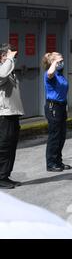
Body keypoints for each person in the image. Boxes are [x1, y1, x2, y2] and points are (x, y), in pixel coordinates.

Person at [0, 44, 24, 189]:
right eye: (10, 56)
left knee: (11, 147)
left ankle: (5, 175)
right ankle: (1, 176)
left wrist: (9, 59)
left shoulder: (9, 70)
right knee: (4, 147)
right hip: (4, 115)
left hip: (12, 114)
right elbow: (2, 75)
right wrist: (8, 58)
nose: (14, 58)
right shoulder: (3, 71)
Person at [42, 52, 71, 172]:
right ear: (52, 63)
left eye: (62, 60)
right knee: (54, 136)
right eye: (59, 61)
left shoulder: (59, 74)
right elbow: (50, 73)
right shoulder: (50, 74)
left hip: (61, 106)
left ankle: (58, 160)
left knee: (61, 135)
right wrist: (54, 63)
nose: (61, 63)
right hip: (53, 107)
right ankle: (51, 163)